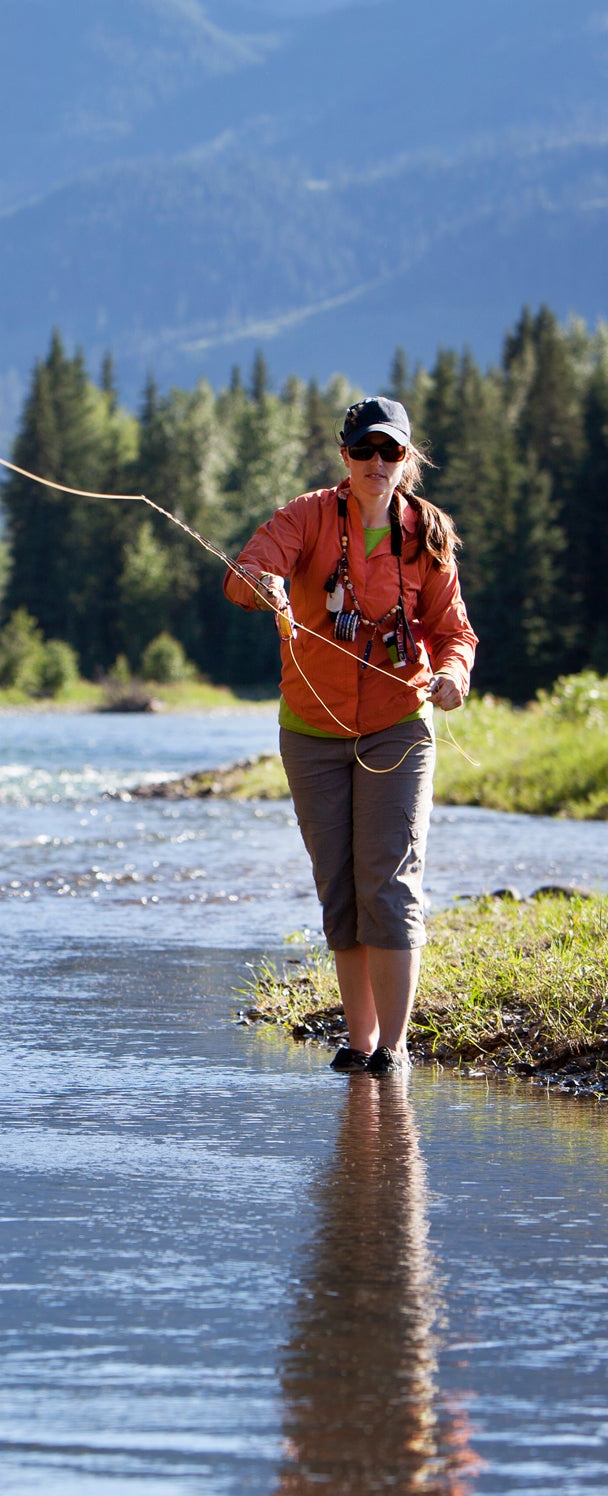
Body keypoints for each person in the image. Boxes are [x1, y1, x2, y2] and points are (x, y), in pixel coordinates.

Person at [223, 397, 478, 1075]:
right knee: (340, 886)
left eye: (389, 451)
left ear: (407, 460)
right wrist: (264, 586)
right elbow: (244, 575)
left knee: (387, 881)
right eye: (363, 450)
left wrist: (454, 675)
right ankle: (358, 1043)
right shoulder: (305, 516)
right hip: (310, 728)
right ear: (345, 457)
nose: (375, 463)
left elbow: (454, 634)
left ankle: (393, 1050)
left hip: (398, 723)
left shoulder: (427, 534)